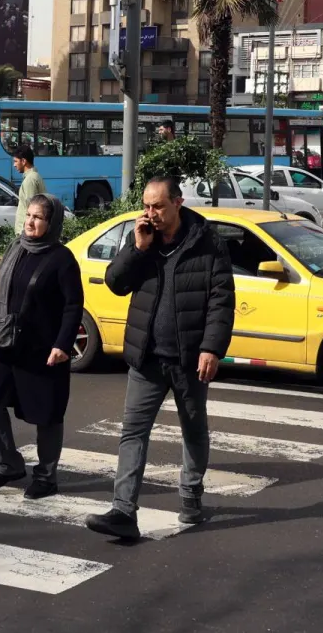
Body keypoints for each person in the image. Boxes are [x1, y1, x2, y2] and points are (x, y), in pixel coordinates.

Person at [84, 176, 235, 540]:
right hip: (147, 359)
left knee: (193, 430)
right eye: (146, 206)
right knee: (132, 433)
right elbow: (116, 283)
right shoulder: (143, 239)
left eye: (158, 207)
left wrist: (212, 348)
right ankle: (123, 511)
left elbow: (221, 299)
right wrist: (137, 248)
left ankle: (190, 496)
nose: (150, 213)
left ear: (178, 203)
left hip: (188, 361)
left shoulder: (208, 242)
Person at [0, 195, 83, 499]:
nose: (31, 222)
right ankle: (8, 463)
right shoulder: (16, 248)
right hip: (4, 342)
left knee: (46, 414)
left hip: (42, 349)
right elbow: (0, 294)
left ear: (52, 223)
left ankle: (46, 478)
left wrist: (63, 344)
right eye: (29, 216)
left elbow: (73, 306)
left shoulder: (62, 259)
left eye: (39, 217)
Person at [11, 145, 46, 234]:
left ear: (23, 161)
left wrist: (27, 232)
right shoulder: (34, 176)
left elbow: (31, 209)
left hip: (26, 233)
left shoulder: (30, 180)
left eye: (15, 161)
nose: (14, 165)